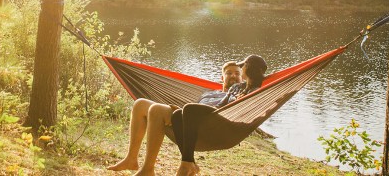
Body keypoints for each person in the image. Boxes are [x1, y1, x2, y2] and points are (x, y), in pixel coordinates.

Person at [107, 61, 243, 176]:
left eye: (237, 73)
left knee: (156, 110)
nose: (233, 76)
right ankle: (131, 159)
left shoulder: (240, 95)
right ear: (222, 78)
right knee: (140, 104)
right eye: (229, 73)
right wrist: (179, 110)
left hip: (210, 128)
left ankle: (147, 170)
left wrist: (241, 95)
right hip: (187, 120)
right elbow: (194, 109)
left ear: (242, 79)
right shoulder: (209, 93)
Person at [173, 55, 268, 176]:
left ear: (249, 69)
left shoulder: (255, 91)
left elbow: (251, 109)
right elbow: (222, 103)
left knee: (188, 108)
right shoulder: (236, 86)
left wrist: (239, 102)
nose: (241, 69)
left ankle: (185, 165)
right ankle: (189, 162)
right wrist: (210, 109)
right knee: (176, 115)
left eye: (242, 66)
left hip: (228, 122)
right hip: (218, 112)